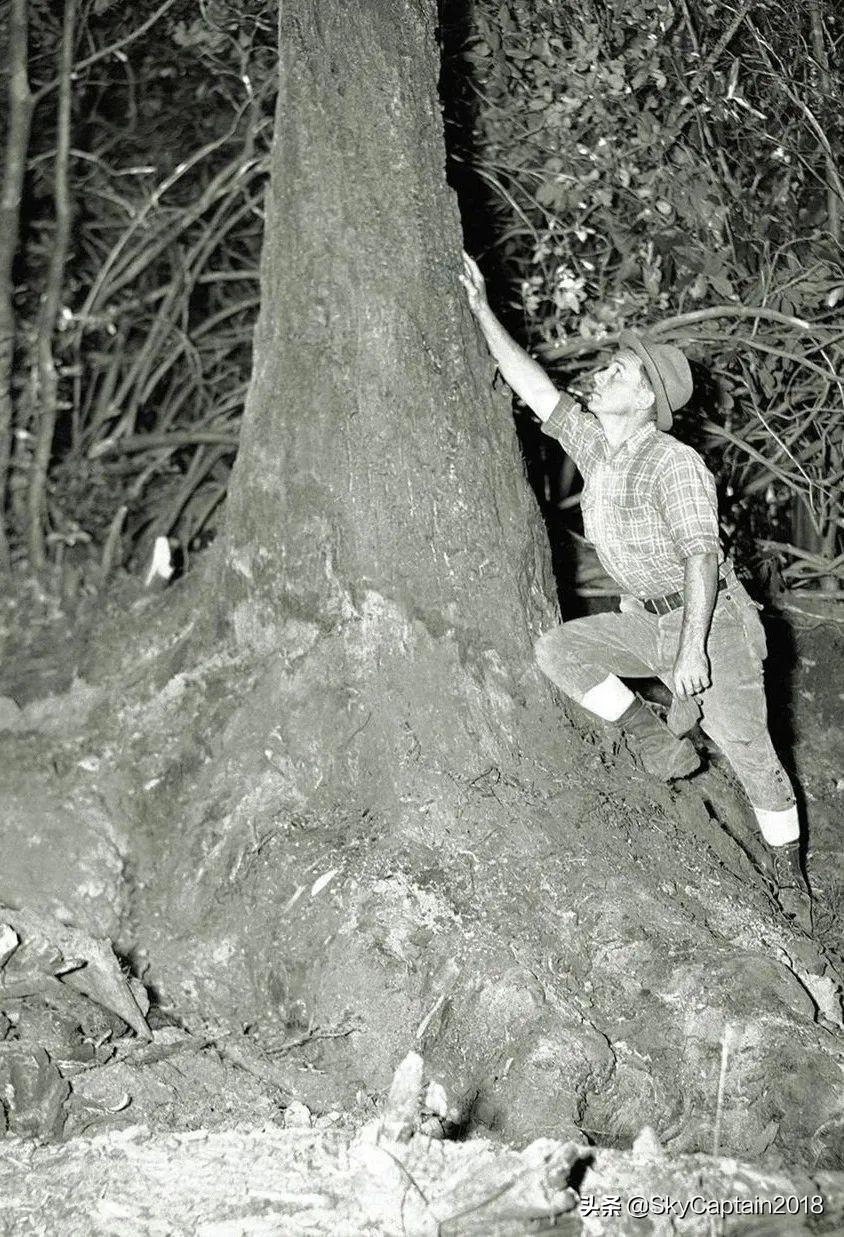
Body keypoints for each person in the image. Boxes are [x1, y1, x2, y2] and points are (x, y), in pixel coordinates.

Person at [459, 250, 811, 925]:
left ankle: (792, 885)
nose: (603, 372)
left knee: (752, 756)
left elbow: (701, 557)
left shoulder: (673, 463)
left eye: (617, 370)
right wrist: (481, 311)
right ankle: (658, 737)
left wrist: (692, 650)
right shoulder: (600, 450)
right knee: (560, 652)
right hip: (645, 621)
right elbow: (538, 391)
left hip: (710, 623)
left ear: (647, 396)